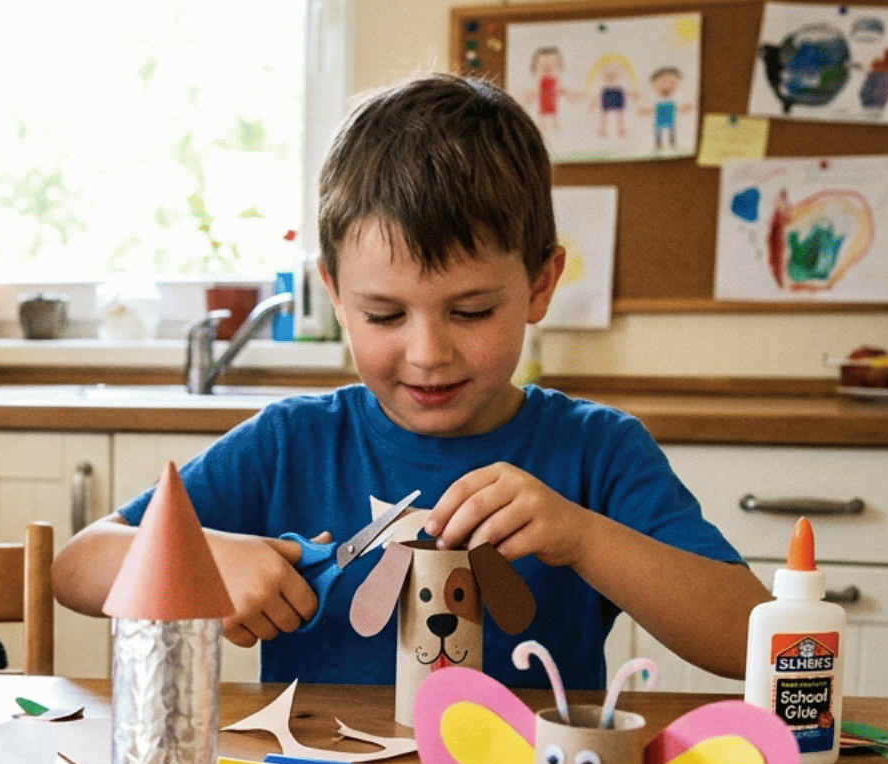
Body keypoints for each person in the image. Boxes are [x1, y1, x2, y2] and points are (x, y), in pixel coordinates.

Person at [53, 73, 768, 693]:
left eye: (472, 310)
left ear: (542, 285)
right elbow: (80, 564)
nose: (428, 353)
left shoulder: (598, 452)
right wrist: (205, 556)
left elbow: (752, 642)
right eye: (384, 314)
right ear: (334, 294)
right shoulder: (289, 444)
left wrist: (582, 537)